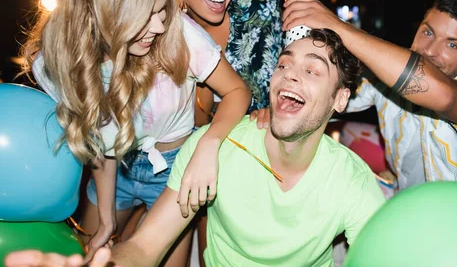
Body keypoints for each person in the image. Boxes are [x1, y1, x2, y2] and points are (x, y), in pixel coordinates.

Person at [17, 0, 250, 264]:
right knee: (92, 249)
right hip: (116, 166)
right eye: (150, 14)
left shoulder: (176, 34)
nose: (162, 24)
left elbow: (237, 90)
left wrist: (208, 145)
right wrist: (106, 216)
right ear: (106, 12)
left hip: (176, 165)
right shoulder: (56, 65)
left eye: (164, 11)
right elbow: (102, 139)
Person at [5, 28, 386, 267]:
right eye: (284, 65)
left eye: (312, 70)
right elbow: (144, 247)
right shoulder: (213, 149)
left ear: (340, 100)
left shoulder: (351, 181)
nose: (290, 75)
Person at [118, 0, 284, 264]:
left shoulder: (263, 17)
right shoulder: (151, 30)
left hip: (241, 172)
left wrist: (271, 113)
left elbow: (306, 83)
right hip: (161, 171)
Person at [279, 0, 457, 195]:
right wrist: (279, 108)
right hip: (406, 204)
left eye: (453, 45)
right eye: (428, 32)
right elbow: (326, 98)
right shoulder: (387, 75)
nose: (431, 50)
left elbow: (443, 95)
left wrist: (337, 26)